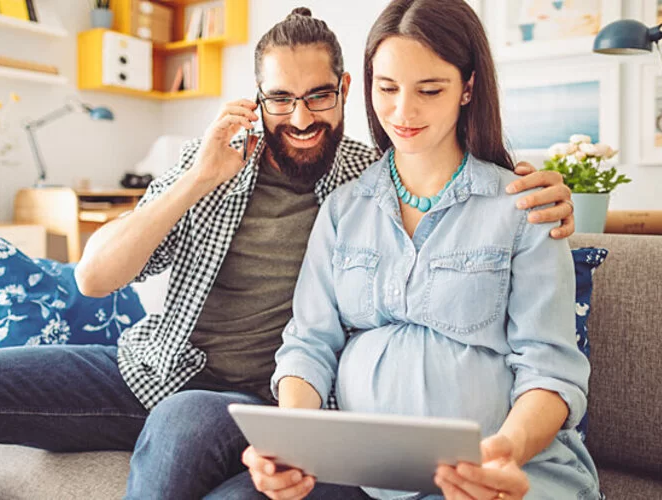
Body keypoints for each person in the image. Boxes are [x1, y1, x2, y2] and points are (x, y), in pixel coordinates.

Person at [0, 6, 576, 500]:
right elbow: (94, 277)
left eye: (317, 97)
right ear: (257, 100)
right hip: (152, 368)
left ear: (342, 90)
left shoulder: (362, 174)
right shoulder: (220, 166)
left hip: (256, 398)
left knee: (185, 421)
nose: (301, 119)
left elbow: (452, 173)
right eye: (280, 99)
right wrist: (195, 179)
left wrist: (549, 186)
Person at [231, 1, 600, 499]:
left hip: (510, 470)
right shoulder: (343, 209)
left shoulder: (523, 208)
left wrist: (504, 453)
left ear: (468, 87)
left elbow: (550, 368)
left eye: (430, 89)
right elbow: (309, 344)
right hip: (368, 477)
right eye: (386, 88)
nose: (403, 112)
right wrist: (292, 441)